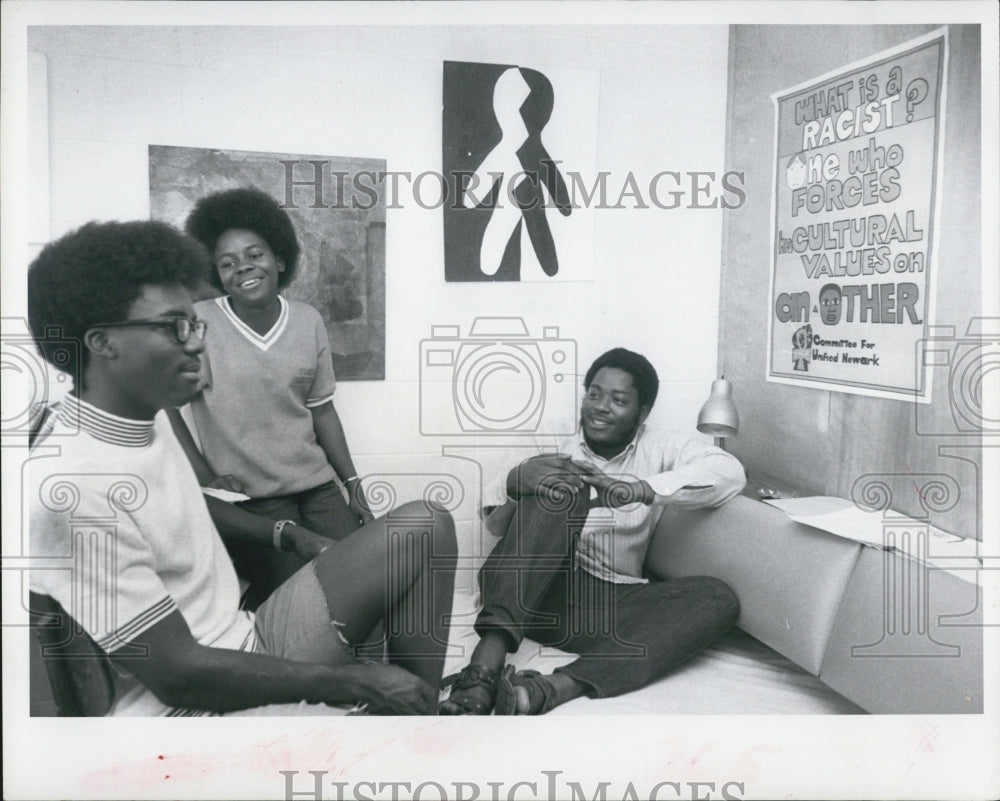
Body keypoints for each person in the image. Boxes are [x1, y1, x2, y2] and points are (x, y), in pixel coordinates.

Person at [28, 220, 457, 716]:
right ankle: (399, 713)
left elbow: (191, 503)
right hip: (200, 707)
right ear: (102, 343)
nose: (195, 343)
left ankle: (413, 721)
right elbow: (178, 678)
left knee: (426, 524)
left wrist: (285, 534)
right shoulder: (70, 488)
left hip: (245, 634)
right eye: (174, 327)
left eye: (194, 324)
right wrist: (354, 685)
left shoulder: (136, 412)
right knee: (373, 667)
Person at [439, 348, 745, 715]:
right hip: (527, 593)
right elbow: (494, 524)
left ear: (642, 412)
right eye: (594, 394)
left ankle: (549, 689)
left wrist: (638, 489)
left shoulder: (662, 446)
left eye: (618, 400)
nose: (600, 407)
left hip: (597, 605)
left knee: (717, 598)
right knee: (565, 487)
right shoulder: (549, 437)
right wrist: (515, 481)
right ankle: (483, 667)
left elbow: (729, 471)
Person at [167, 187, 372, 600]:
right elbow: (168, 408)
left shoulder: (307, 320)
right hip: (252, 499)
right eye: (228, 263)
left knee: (361, 581)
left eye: (254, 255)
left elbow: (322, 413)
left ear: (279, 260)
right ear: (217, 275)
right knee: (301, 602)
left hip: (316, 487)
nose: (243, 267)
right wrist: (207, 479)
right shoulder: (200, 322)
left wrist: (353, 484)